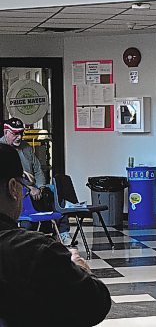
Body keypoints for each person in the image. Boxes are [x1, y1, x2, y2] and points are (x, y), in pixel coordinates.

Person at [0, 143, 111, 327]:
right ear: (13, 188)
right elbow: (94, 305)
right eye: (22, 187)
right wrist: (81, 269)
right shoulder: (34, 251)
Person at [0, 117, 73, 245]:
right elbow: (12, 176)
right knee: (27, 217)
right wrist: (30, 188)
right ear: (6, 132)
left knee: (56, 194)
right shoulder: (2, 149)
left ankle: (62, 232)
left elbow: (38, 169)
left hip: (34, 188)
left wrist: (41, 187)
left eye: (21, 133)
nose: (19, 137)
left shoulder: (26, 147)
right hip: (17, 189)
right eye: (15, 134)